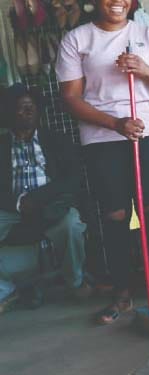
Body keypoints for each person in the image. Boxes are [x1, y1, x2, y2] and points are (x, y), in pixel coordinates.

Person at [56, 0, 149, 324]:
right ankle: (122, 293)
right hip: (103, 138)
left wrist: (144, 69)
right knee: (115, 215)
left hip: (148, 133)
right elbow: (70, 98)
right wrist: (115, 123)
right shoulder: (77, 40)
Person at [0, 83, 90, 304]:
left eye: (32, 107)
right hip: (12, 209)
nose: (28, 112)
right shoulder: (2, 145)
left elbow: (72, 178)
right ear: (11, 113)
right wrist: (20, 202)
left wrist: (38, 198)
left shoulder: (56, 140)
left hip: (51, 205)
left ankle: (75, 282)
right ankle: (6, 288)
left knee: (72, 225)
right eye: (21, 108)